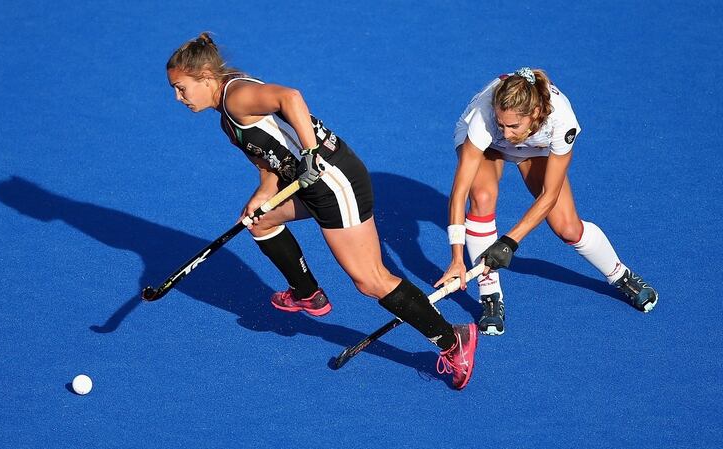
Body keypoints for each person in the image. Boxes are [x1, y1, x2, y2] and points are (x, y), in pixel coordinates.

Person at [165, 32, 477, 389]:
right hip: (309, 183)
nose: (178, 98)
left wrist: (311, 154)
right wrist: (263, 194)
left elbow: (290, 97)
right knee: (261, 220)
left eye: (181, 88)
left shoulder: (237, 97)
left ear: (205, 77)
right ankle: (306, 293)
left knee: (370, 279)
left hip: (333, 181)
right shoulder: (227, 120)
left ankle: (453, 340)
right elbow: (268, 163)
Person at [436, 67, 658, 336]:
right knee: (481, 197)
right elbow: (459, 192)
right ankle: (490, 294)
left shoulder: (562, 120)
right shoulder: (484, 119)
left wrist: (508, 242)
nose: (506, 133)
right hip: (487, 148)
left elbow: (549, 195)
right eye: (501, 123)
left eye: (513, 125)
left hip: (536, 147)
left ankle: (620, 274)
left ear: (536, 114)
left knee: (567, 227)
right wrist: (456, 257)